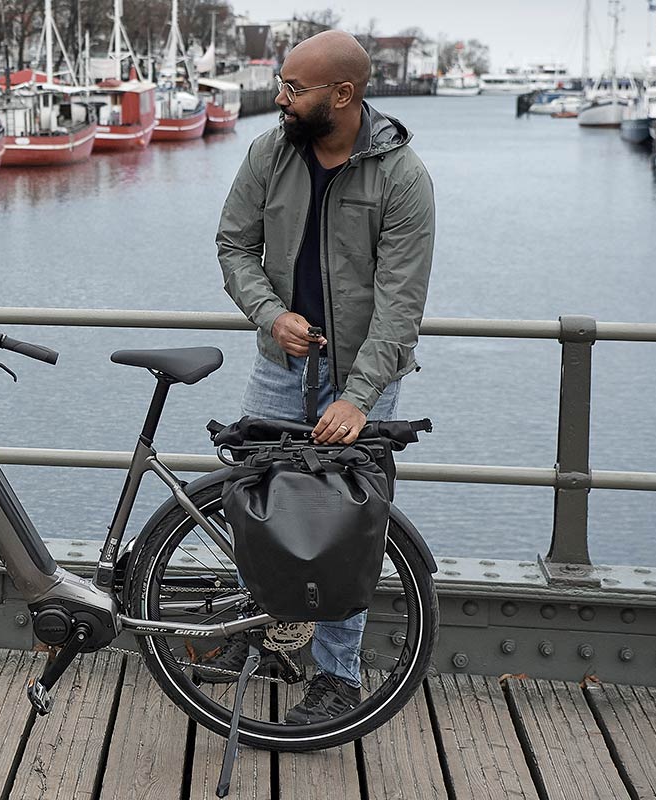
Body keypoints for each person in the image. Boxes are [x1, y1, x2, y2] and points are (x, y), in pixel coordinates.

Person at [209, 30, 435, 725]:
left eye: (293, 87)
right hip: (281, 364)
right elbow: (233, 244)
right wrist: (270, 314)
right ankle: (264, 636)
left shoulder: (403, 178)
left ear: (343, 94)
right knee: (251, 497)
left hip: (362, 377)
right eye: (281, 83)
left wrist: (358, 399)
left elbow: (401, 307)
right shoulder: (269, 152)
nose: (278, 98)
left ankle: (338, 679)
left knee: (346, 527)